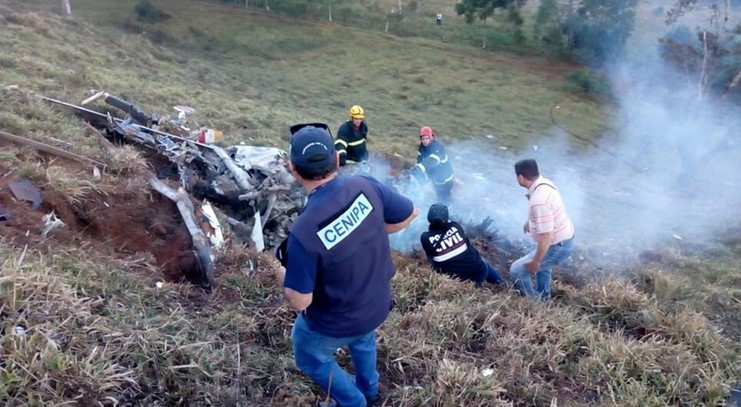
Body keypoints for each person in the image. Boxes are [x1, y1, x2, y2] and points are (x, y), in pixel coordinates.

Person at [275, 123, 418, 407]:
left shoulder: (303, 232)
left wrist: (280, 272)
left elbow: (300, 301)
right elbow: (410, 213)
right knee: (363, 339)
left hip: (336, 320)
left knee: (308, 355)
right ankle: (370, 389)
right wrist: (371, 227)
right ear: (337, 160)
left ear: (293, 169)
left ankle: (354, 402)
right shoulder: (364, 185)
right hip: (376, 304)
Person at [509, 159, 575, 300]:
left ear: (520, 177)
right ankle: (544, 297)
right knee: (543, 268)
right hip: (564, 239)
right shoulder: (544, 183)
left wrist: (536, 261)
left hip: (558, 245)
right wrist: (531, 221)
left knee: (517, 270)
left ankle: (534, 304)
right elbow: (546, 212)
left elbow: (547, 237)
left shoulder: (538, 201)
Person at [420, 203, 505, 286]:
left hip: (455, 280)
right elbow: (467, 243)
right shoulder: (455, 226)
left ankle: (479, 287)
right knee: (483, 262)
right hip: (479, 273)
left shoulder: (425, 237)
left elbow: (432, 260)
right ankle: (501, 283)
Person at [414, 126, 455, 204]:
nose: (424, 141)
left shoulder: (438, 147)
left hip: (445, 178)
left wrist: (420, 168)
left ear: (431, 137)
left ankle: (448, 209)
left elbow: (433, 159)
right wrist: (415, 169)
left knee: (444, 196)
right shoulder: (422, 147)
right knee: (438, 194)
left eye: (427, 138)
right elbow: (419, 159)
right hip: (434, 176)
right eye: (423, 139)